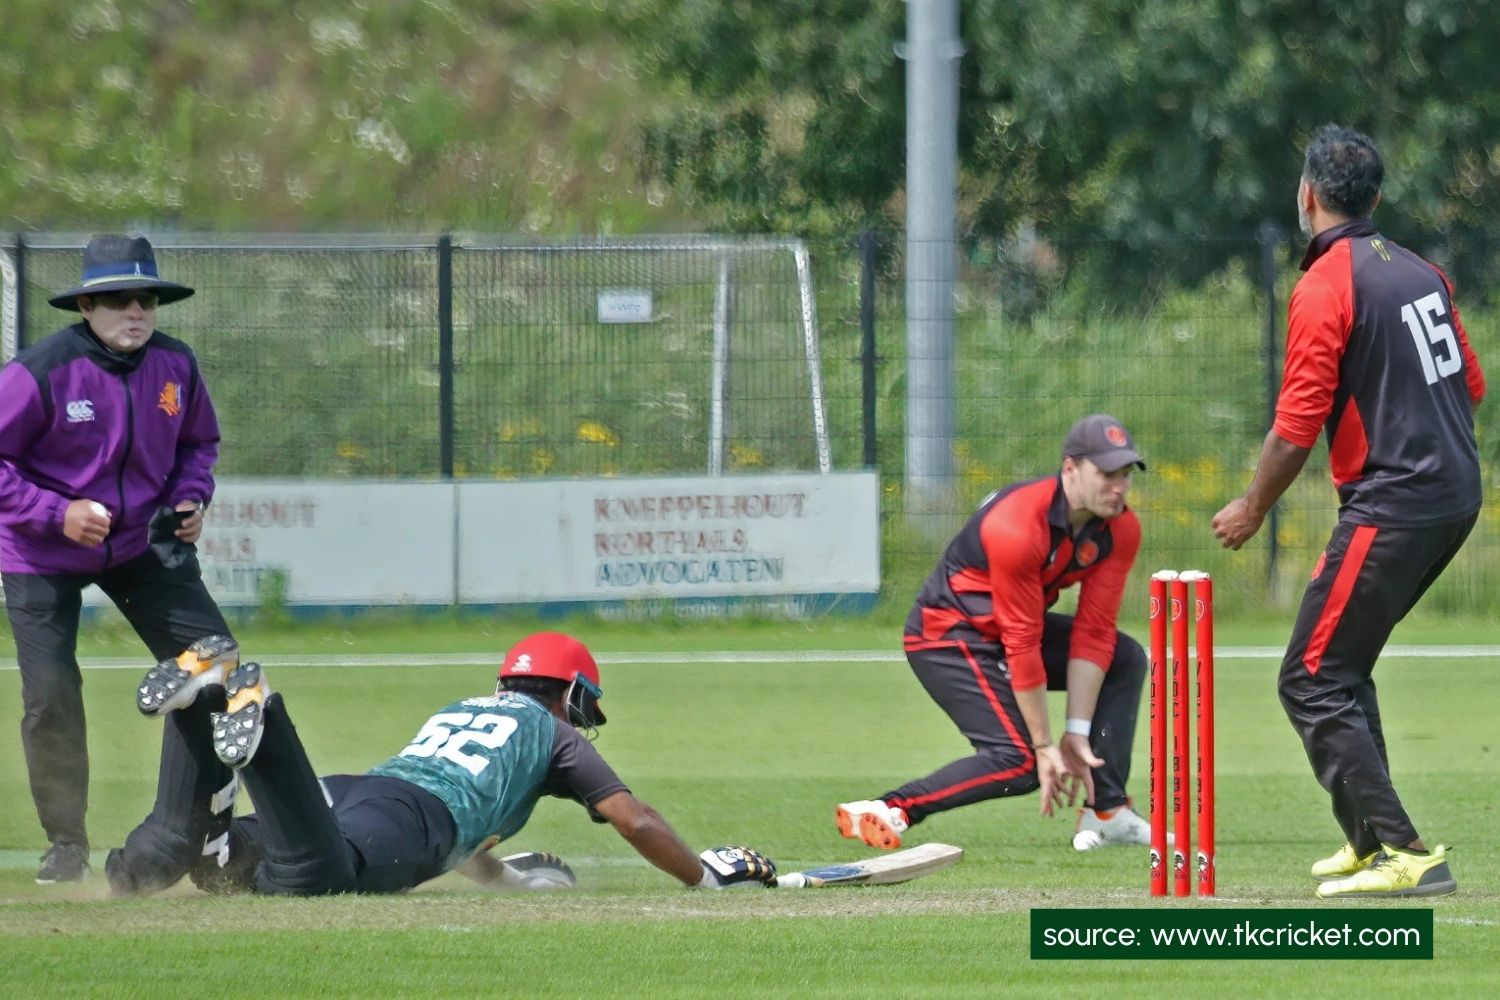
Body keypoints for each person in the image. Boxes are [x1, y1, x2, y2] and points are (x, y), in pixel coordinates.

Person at [1212, 125, 1484, 899]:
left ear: (1307, 196)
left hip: (1394, 503)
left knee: (1310, 677)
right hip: (1454, 495)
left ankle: (1407, 853)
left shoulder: (1328, 283)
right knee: (1343, 667)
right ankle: (1368, 842)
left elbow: (1297, 426)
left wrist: (1251, 507)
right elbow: (1471, 386)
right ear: (1379, 196)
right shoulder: (1423, 272)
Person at [105, 630, 778, 896]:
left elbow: (458, 823)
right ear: (571, 693)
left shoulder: (462, 707)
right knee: (310, 879)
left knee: (205, 866)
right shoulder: (553, 735)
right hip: (397, 821)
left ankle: (204, 700)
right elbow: (635, 822)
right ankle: (262, 716)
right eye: (584, 706)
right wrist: (702, 875)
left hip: (350, 794)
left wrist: (509, 880)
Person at [0, 234, 233, 884]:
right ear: (86, 307)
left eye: (147, 300)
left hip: (142, 544)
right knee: (51, 695)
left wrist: (191, 498)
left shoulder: (176, 367)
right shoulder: (40, 371)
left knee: (215, 666)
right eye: (119, 300)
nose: (136, 311)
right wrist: (56, 512)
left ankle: (206, 827)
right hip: (40, 548)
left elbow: (199, 443)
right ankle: (66, 842)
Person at [837, 414, 1149, 851]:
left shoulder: (1121, 528)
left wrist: (1076, 732)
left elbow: (1095, 632)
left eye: (1125, 474)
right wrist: (1043, 746)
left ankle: (1108, 812)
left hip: (1008, 631)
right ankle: (893, 808)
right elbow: (1022, 643)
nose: (1118, 487)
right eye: (1105, 474)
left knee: (1125, 656)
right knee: (1020, 761)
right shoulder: (1018, 525)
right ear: (1070, 469)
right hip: (948, 636)